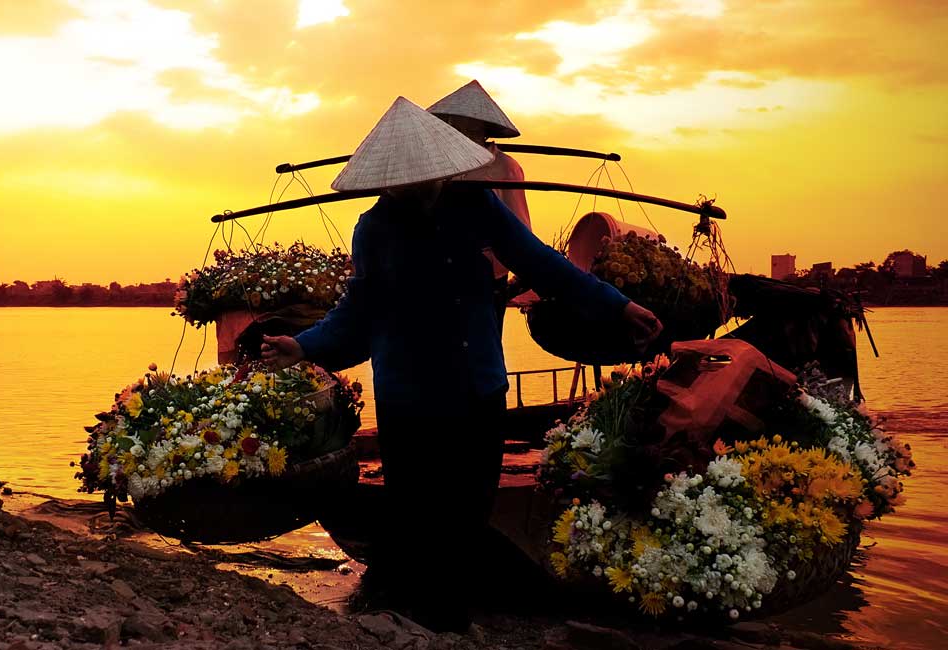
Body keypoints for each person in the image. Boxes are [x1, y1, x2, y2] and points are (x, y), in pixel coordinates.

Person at [261, 97, 662, 632]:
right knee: (416, 514)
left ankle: (448, 616)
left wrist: (618, 305)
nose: (417, 187)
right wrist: (304, 346)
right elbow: (358, 313)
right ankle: (422, 616)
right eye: (404, 181)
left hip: (478, 388)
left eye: (425, 177)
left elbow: (542, 264)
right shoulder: (375, 228)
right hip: (409, 396)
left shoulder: (475, 207)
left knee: (469, 509)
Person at [429, 80, 530, 334]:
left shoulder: (505, 168)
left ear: (482, 129)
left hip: (487, 276)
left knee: (484, 342)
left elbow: (520, 229)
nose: (456, 130)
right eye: (452, 124)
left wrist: (496, 270)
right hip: (438, 271)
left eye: (464, 125)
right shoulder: (440, 165)